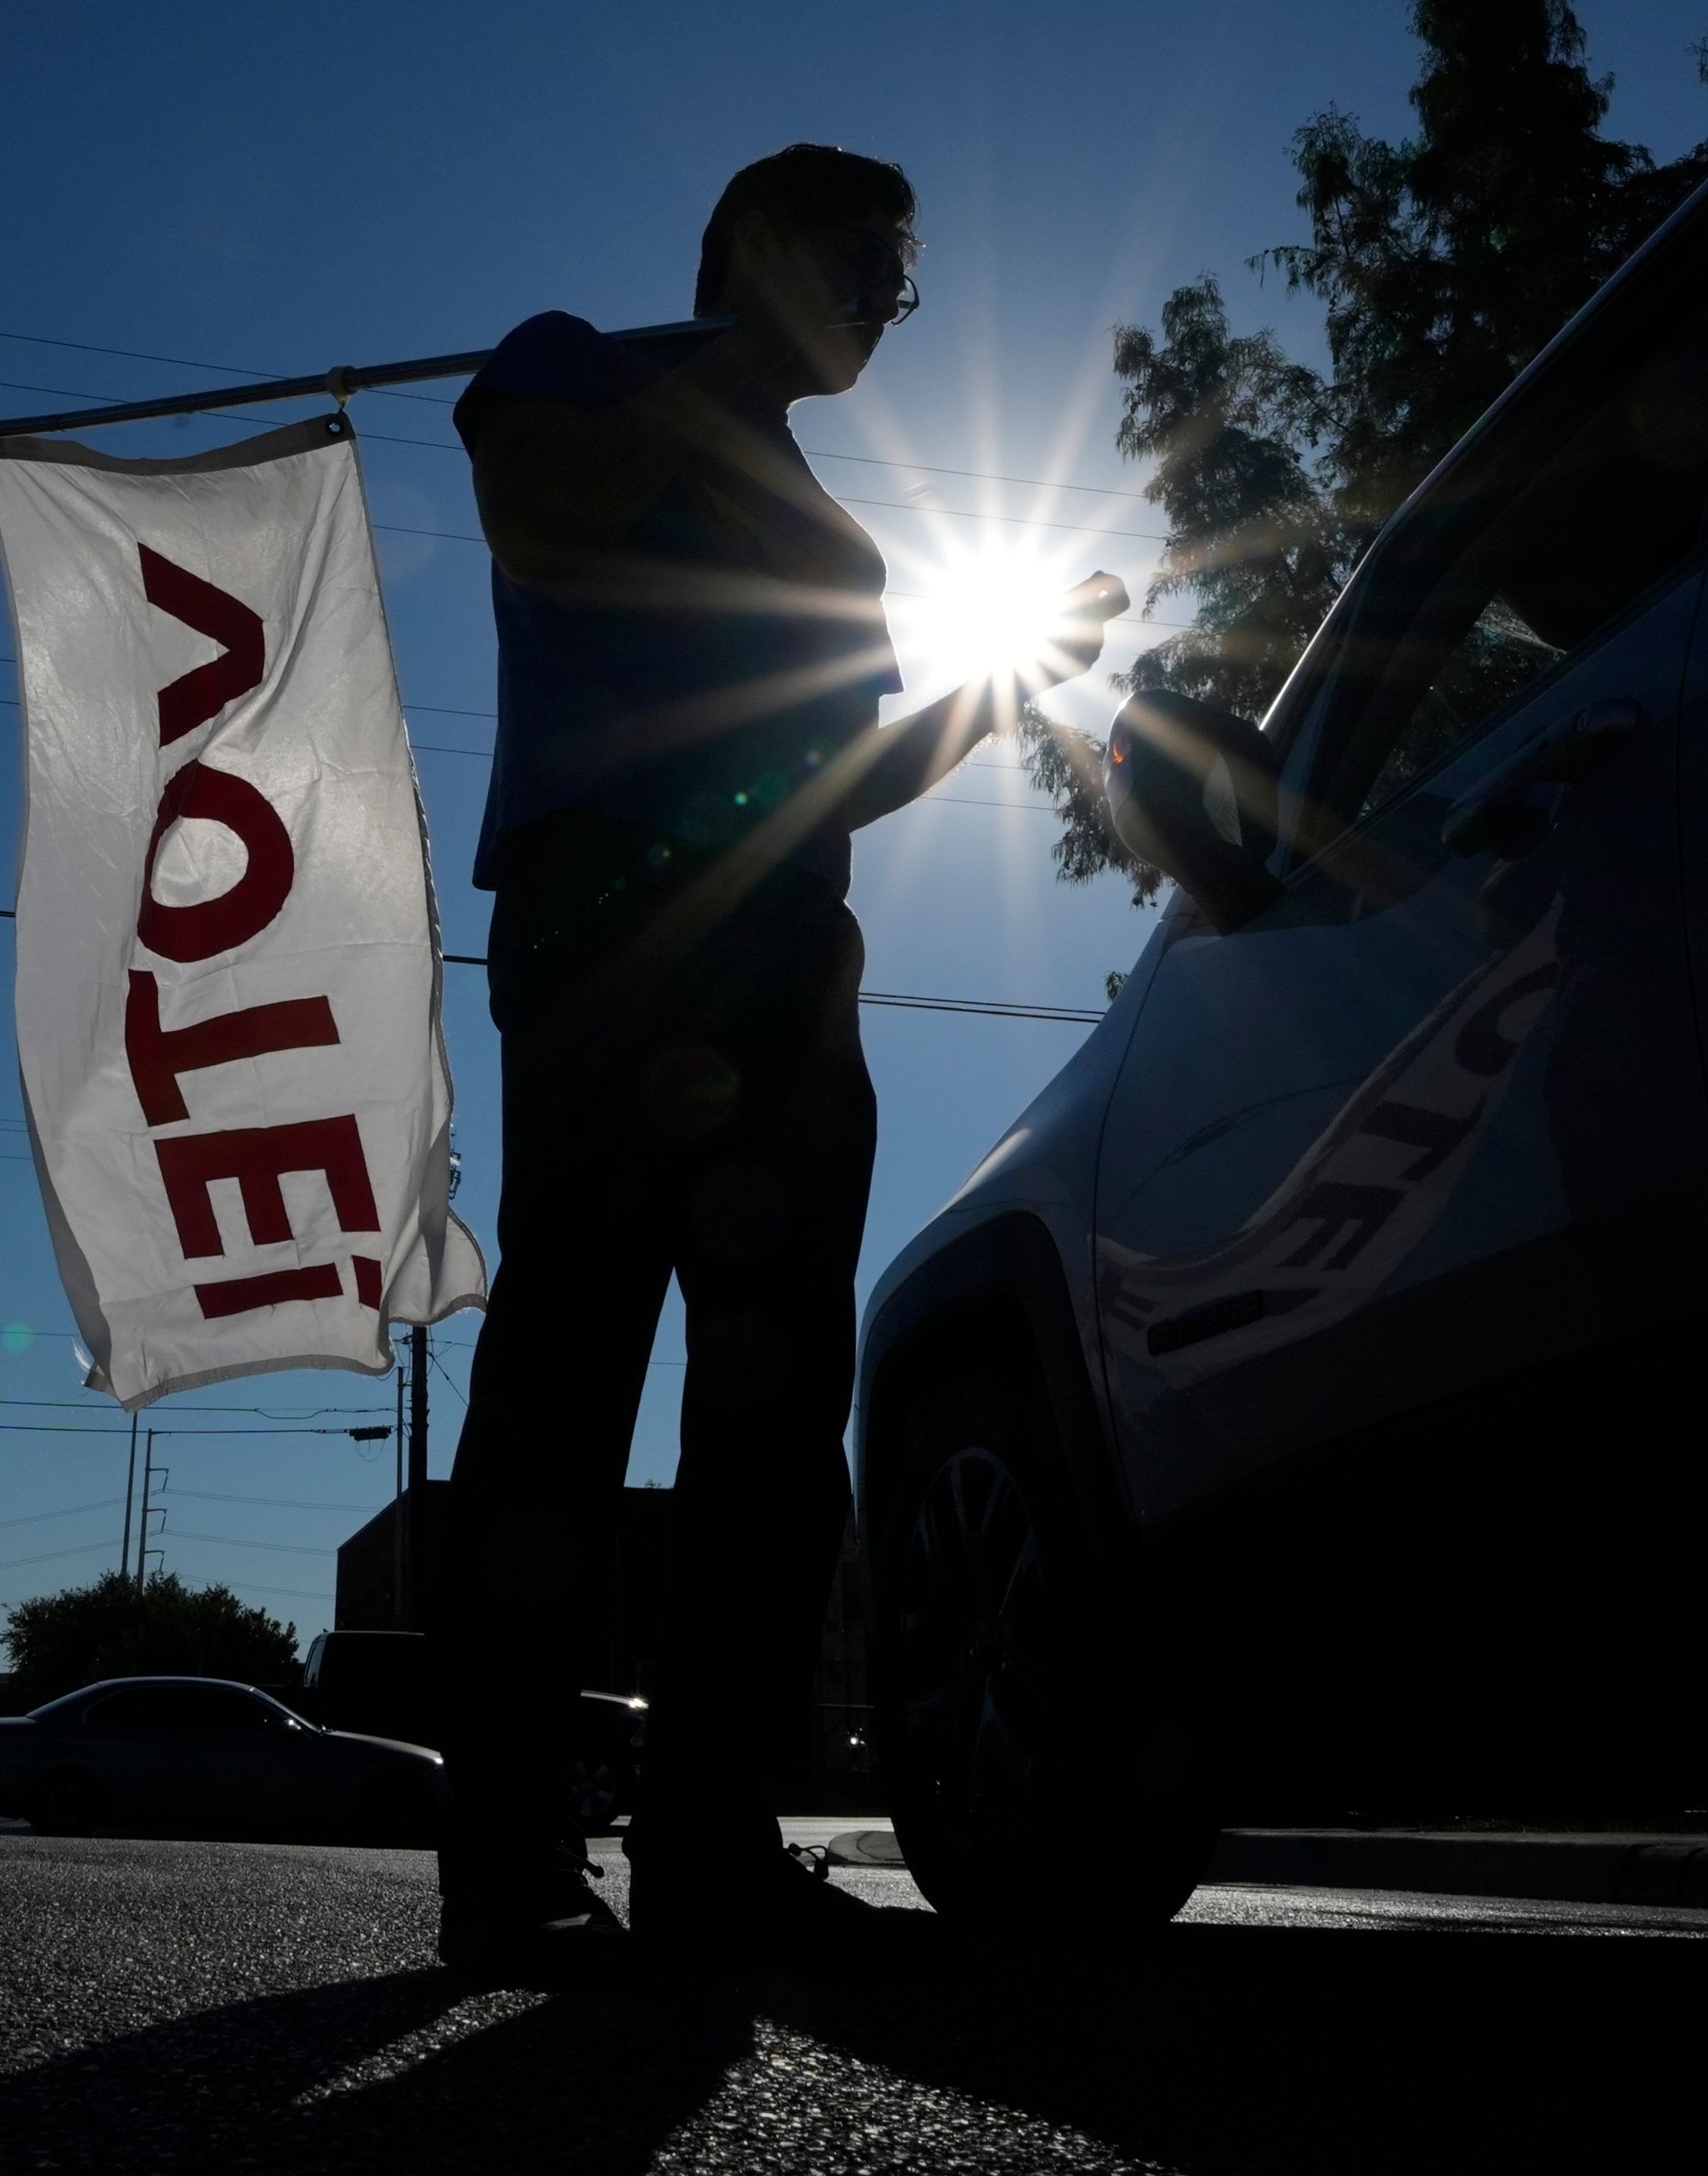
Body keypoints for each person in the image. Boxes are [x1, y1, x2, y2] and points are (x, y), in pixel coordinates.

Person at [435, 142, 1120, 1973]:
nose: (882, 312)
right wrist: (746, 358)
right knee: (568, 1371)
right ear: (751, 245)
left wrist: (988, 698)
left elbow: (836, 770)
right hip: (606, 920)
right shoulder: (565, 358)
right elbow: (550, 531)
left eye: (900, 288)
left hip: (792, 953)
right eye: (859, 268)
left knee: (769, 1412)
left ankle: (713, 1841)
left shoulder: (837, 532)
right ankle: (504, 1854)